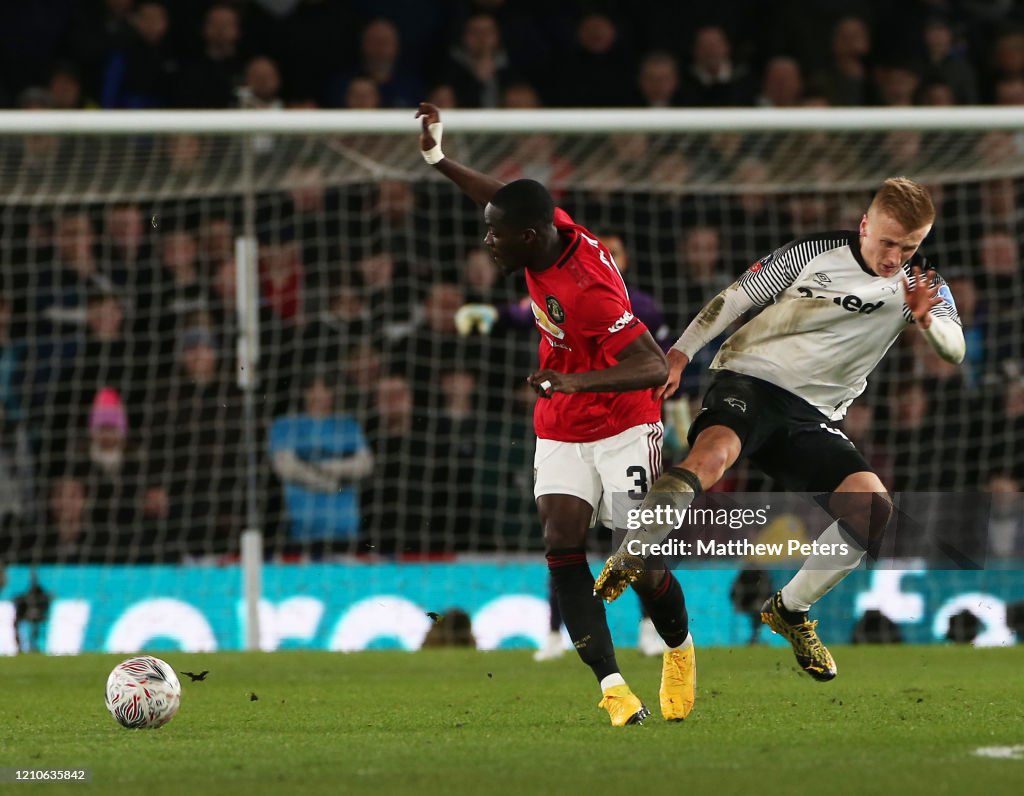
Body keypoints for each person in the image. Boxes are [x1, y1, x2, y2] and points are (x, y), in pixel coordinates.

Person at [595, 177, 965, 682]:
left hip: (813, 417)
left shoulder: (923, 287)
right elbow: (735, 298)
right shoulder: (813, 252)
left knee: (873, 509)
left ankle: (788, 611)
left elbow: (955, 349)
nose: (895, 256)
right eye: (887, 242)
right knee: (712, 456)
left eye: (910, 246)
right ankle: (637, 546)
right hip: (750, 379)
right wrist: (681, 351)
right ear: (865, 225)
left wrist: (927, 322)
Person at [416, 102, 693, 727]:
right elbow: (502, 198)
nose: (487, 240)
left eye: (495, 235)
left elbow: (654, 367)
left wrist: (570, 377)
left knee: (640, 560)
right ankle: (615, 688)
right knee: (560, 543)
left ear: (530, 238)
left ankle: (678, 650)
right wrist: (438, 159)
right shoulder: (542, 227)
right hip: (564, 421)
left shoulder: (587, 289)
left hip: (625, 419)